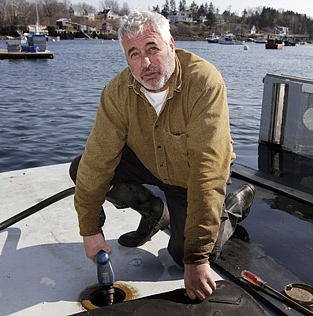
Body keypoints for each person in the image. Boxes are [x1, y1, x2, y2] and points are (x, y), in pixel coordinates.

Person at [71, 10, 255, 301]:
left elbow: (207, 171)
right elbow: (97, 161)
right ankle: (155, 209)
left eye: (152, 48)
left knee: (183, 255)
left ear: (171, 44)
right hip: (149, 163)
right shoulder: (117, 92)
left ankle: (232, 204)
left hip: (190, 176)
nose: (145, 63)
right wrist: (90, 229)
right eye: (133, 53)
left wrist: (197, 257)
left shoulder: (203, 82)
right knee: (81, 168)